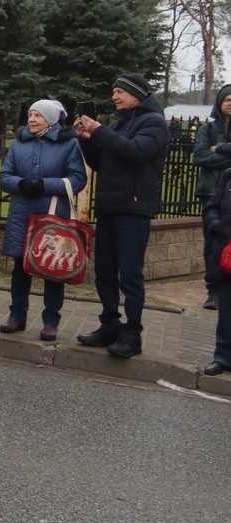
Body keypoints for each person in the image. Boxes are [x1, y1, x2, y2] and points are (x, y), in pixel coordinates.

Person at [73, 74, 169, 358]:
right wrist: (87, 140)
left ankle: (132, 334)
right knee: (104, 271)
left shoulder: (154, 122)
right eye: (113, 92)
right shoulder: (119, 123)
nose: (114, 97)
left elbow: (136, 152)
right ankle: (109, 326)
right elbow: (102, 162)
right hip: (109, 207)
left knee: (130, 274)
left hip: (134, 208)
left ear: (136, 94)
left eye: (119, 92)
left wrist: (101, 131)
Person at [0, 100, 87, 340]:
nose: (32, 120)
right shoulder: (19, 143)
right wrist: (21, 184)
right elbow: (4, 176)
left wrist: (45, 185)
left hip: (52, 214)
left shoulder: (69, 144)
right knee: (20, 268)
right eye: (30, 115)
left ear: (52, 119)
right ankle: (16, 316)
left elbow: (78, 179)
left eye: (38, 115)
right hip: (22, 213)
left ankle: (50, 321)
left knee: (53, 268)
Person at [192, 83, 231, 311]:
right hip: (210, 193)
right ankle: (213, 291)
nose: (230, 104)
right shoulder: (206, 129)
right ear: (219, 102)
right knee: (212, 242)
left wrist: (220, 148)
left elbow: (211, 154)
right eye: (227, 99)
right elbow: (200, 156)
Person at [200, 166, 231, 375]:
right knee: (227, 306)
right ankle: (223, 356)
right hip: (228, 249)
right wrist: (217, 226)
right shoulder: (228, 175)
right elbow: (212, 207)